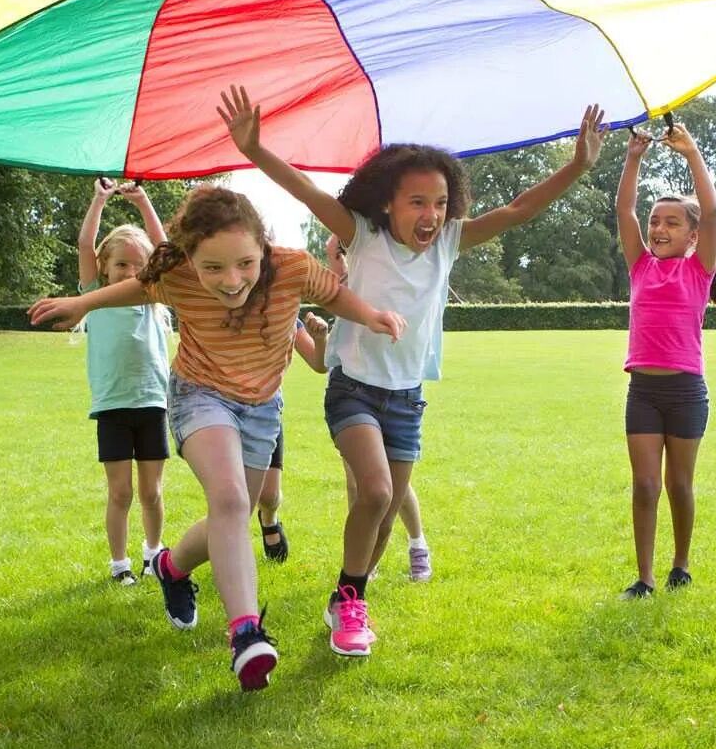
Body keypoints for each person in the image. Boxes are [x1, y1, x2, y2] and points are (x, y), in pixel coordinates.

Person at [221, 84, 604, 657]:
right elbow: (304, 191)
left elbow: (520, 209)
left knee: (381, 519)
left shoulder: (449, 242)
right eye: (418, 202)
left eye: (441, 202)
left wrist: (576, 166)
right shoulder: (363, 234)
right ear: (388, 205)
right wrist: (255, 149)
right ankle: (353, 600)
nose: (432, 214)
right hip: (354, 389)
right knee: (374, 492)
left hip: (406, 398)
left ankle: (346, 597)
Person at [29, 185, 404, 690]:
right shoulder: (176, 276)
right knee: (228, 499)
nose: (232, 281)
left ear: (264, 248)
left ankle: (171, 568)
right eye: (214, 268)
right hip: (199, 396)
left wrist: (372, 316)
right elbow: (136, 287)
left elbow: (334, 293)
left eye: (246, 264)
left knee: (235, 513)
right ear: (190, 259)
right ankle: (246, 634)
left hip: (261, 408)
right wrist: (84, 304)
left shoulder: (291, 267)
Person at [614, 121, 716, 598]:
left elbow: (713, 206)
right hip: (643, 392)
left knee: (679, 485)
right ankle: (644, 577)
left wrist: (692, 153)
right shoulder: (640, 264)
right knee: (644, 486)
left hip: (685, 393)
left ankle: (680, 563)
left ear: (694, 236)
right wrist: (633, 157)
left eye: (671, 222)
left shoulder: (698, 270)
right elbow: (625, 209)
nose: (658, 228)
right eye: (656, 222)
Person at [77, 177, 170, 586]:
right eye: (120, 265)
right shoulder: (94, 295)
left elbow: (166, 250)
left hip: (152, 404)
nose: (129, 272)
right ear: (104, 267)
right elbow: (84, 245)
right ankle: (120, 565)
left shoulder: (154, 294)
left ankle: (153, 554)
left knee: (151, 492)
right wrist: (99, 199)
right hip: (113, 408)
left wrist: (144, 201)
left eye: (137, 265)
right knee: (120, 493)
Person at [327, 236, 434, 582]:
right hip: (352, 390)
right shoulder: (344, 285)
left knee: (391, 491)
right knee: (365, 486)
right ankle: (358, 570)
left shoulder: (383, 271)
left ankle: (417, 544)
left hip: (397, 389)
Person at [256, 313, 332, 563]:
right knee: (231, 495)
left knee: (269, 496)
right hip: (223, 411)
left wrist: (320, 339)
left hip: (267, 410)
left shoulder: (286, 313)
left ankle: (269, 519)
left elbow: (319, 364)